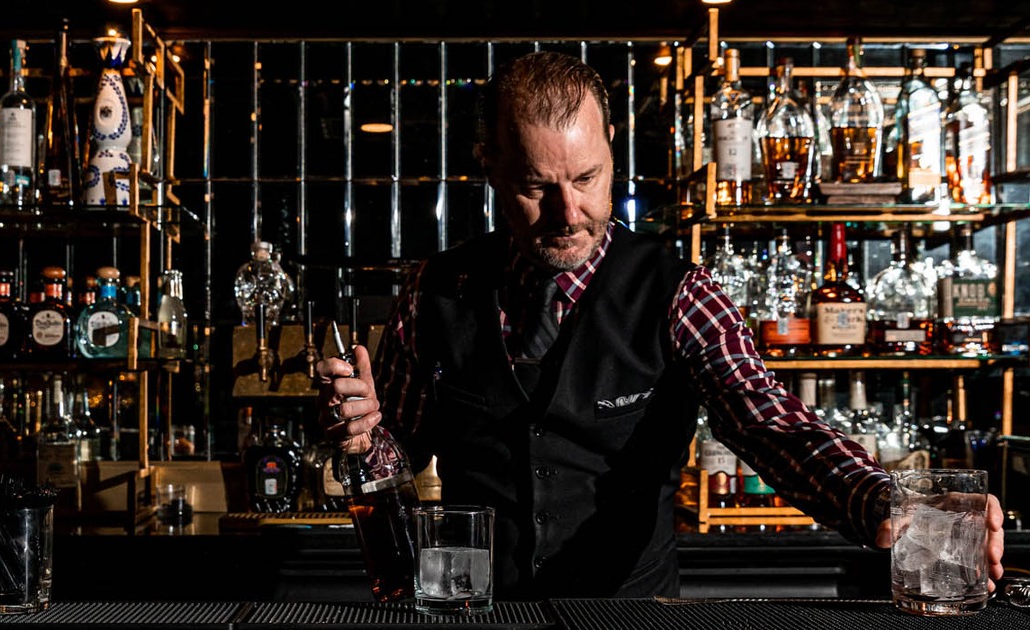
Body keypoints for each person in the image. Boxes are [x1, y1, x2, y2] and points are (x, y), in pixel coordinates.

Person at [315, 50, 1005, 600]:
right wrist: (365, 441)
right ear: (489, 166)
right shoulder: (436, 291)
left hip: (629, 617)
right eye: (536, 187)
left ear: (612, 148)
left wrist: (883, 500)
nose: (568, 211)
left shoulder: (680, 293)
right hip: (476, 611)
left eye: (587, 177)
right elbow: (394, 469)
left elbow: (768, 422)